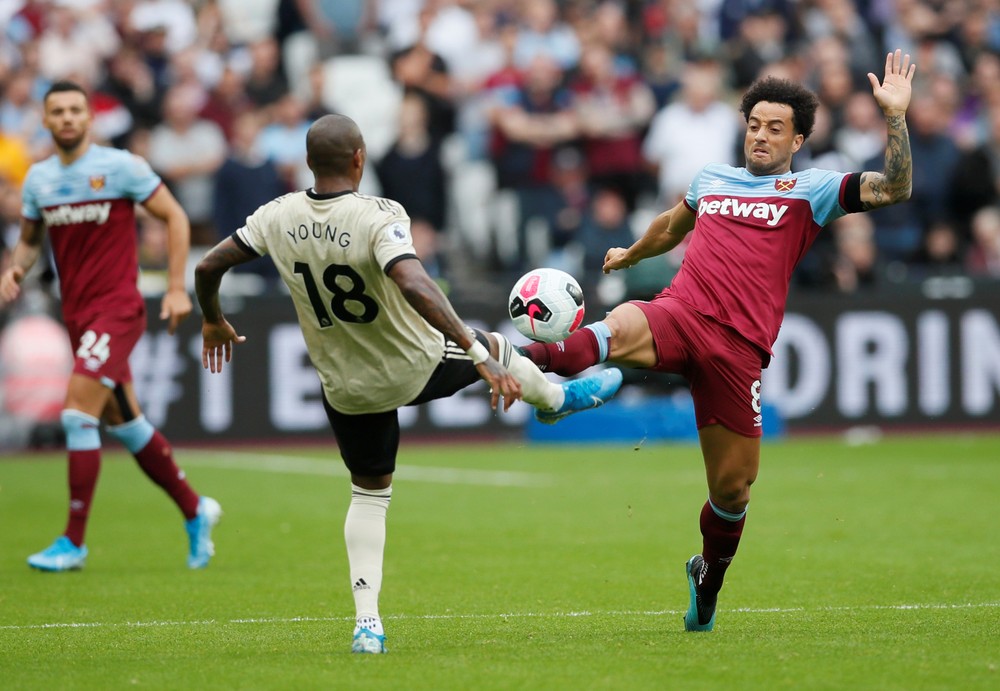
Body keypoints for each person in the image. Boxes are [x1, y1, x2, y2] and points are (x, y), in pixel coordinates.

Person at [193, 113, 623, 654]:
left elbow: (208, 266)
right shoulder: (379, 214)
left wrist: (212, 318)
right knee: (491, 344)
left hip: (346, 386)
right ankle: (558, 397)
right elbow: (413, 278)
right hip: (412, 364)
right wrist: (470, 350)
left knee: (369, 492)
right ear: (360, 158)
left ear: (307, 161)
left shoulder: (274, 216)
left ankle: (367, 624)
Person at [518, 50, 916, 632]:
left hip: (738, 352)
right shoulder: (712, 180)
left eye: (775, 128)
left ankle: (708, 579)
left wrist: (895, 117)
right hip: (681, 311)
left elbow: (896, 188)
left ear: (798, 139)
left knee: (732, 491)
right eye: (754, 125)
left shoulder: (815, 189)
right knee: (617, 326)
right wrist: (632, 254)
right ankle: (518, 365)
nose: (761, 135)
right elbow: (671, 225)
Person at [0, 80, 222, 572]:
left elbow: (175, 217)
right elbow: (31, 240)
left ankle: (73, 542)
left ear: (89, 118)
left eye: (75, 109)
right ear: (45, 119)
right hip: (77, 314)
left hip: (117, 309)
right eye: (56, 111)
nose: (67, 118)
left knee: (78, 413)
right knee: (127, 424)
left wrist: (177, 287)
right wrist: (16, 267)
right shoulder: (39, 181)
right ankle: (195, 508)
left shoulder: (119, 167)